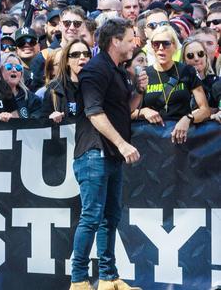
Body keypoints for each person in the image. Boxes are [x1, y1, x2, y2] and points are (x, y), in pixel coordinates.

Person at [70, 18, 147, 290]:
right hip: (93, 153)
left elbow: (123, 109)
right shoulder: (94, 70)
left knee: (110, 217)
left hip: (111, 155)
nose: (134, 43)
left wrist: (139, 91)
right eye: (129, 38)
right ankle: (78, 281)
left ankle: (108, 278)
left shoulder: (117, 71)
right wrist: (123, 144)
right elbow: (94, 113)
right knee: (91, 217)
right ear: (115, 41)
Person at [138, 25, 210, 135]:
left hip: (183, 137)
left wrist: (188, 118)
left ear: (175, 46)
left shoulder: (187, 71)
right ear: (151, 47)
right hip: (153, 140)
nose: (161, 48)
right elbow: (128, 112)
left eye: (166, 43)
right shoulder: (144, 74)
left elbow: (205, 110)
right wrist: (143, 111)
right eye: (156, 44)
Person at [43, 39, 92, 124]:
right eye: (75, 54)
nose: (82, 57)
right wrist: (49, 119)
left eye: (86, 54)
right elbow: (40, 123)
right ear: (67, 61)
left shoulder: (100, 86)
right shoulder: (54, 89)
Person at [0, 52, 42, 119]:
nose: (14, 70)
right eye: (9, 66)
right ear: (0, 70)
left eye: (18, 67)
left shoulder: (32, 99)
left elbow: (38, 124)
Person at [181, 38, 217, 106]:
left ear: (205, 56)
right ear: (184, 60)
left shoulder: (217, 82)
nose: (196, 58)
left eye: (200, 54)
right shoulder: (179, 85)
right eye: (190, 55)